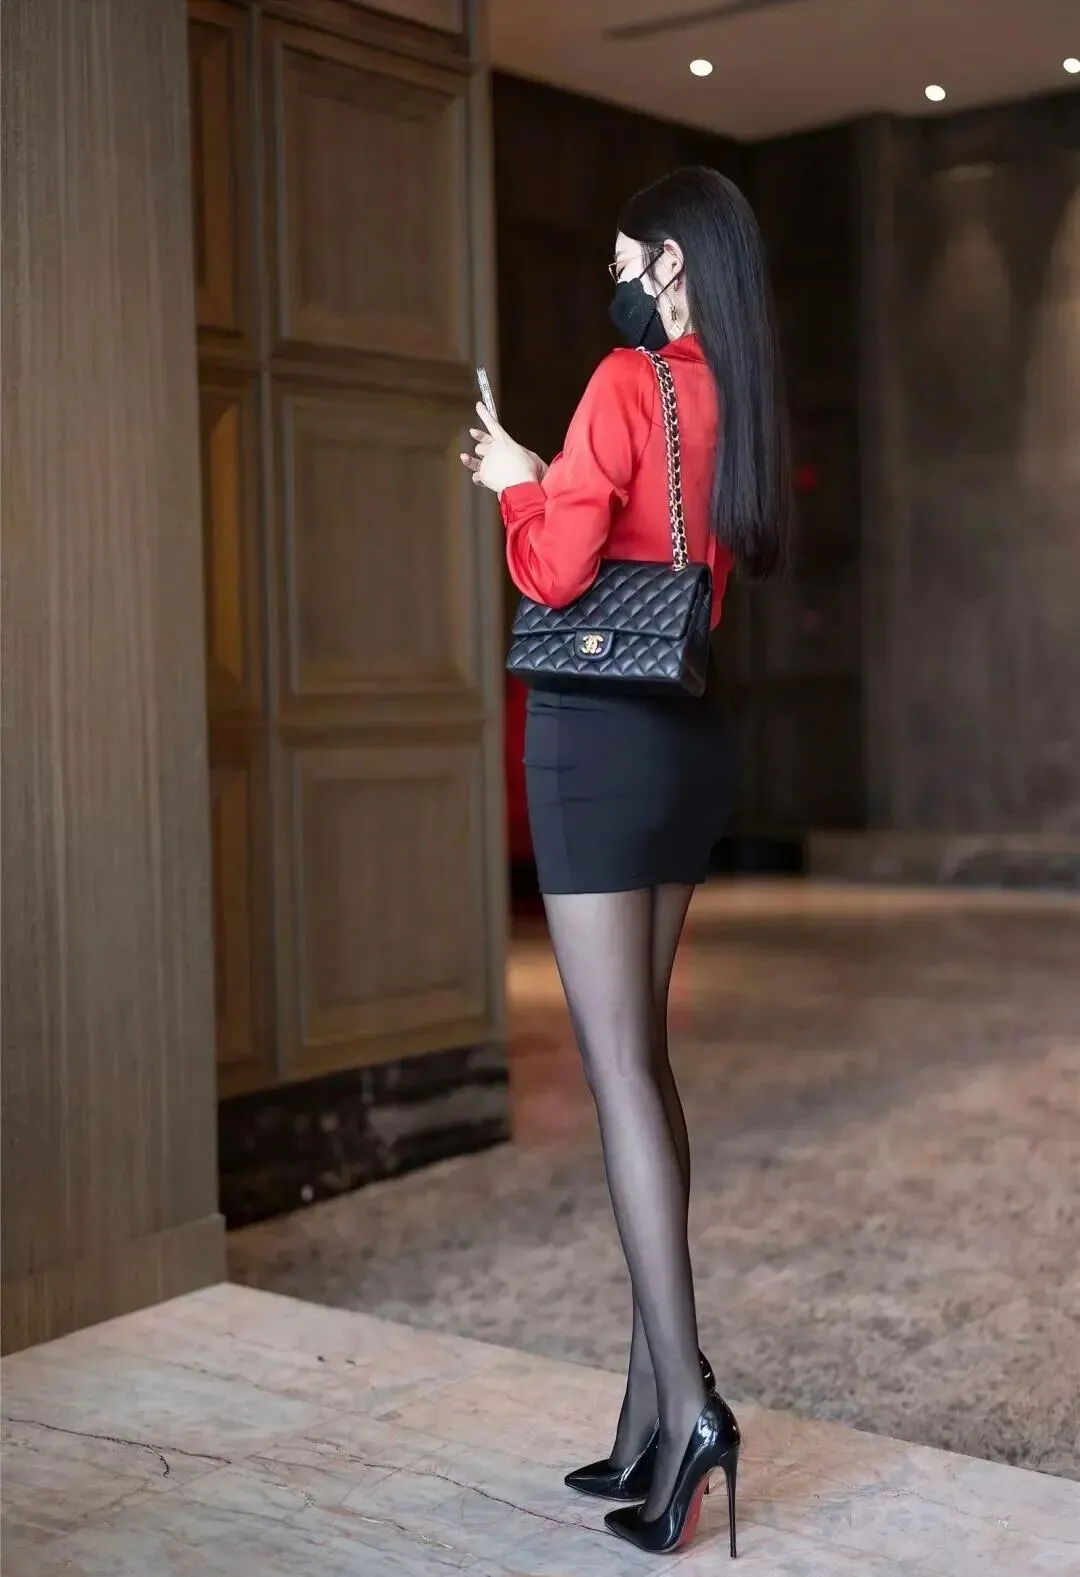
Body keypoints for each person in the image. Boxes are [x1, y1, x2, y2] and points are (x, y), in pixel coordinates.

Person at [461, 165, 792, 1557]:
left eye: (621, 259)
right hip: (689, 738)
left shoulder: (623, 381)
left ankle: (693, 1407)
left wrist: (515, 484)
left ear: (669, 263)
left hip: (598, 742)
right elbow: (683, 549)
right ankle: (650, 1411)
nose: (612, 281)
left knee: (616, 1074)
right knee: (643, 1067)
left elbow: (557, 571)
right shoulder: (739, 398)